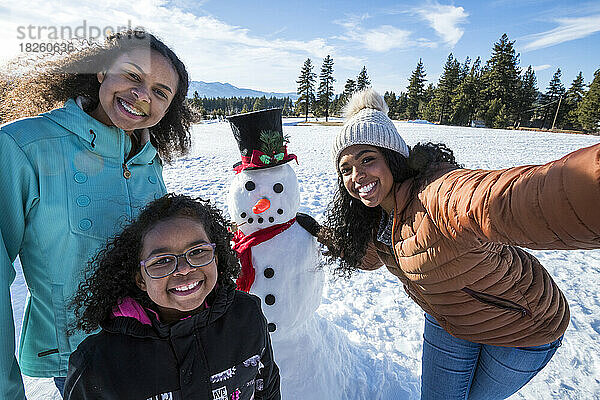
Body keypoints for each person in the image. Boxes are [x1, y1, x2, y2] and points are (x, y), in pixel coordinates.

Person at [297, 88, 600, 400]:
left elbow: (515, 198)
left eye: (367, 159)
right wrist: (320, 233)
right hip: (449, 319)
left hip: (520, 327)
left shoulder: (438, 195)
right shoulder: (374, 216)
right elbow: (368, 257)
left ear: (392, 158)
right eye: (345, 169)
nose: (356, 175)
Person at [0, 29, 192, 398]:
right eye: (133, 75)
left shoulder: (148, 160)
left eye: (159, 92)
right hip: (79, 357)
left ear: (167, 110)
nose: (141, 95)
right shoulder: (24, 147)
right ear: (102, 70)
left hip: (152, 348)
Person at [63, 193, 280, 399]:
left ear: (216, 257)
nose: (184, 269)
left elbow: (266, 387)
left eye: (197, 252)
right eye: (162, 261)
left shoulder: (246, 315)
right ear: (140, 278)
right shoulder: (98, 363)